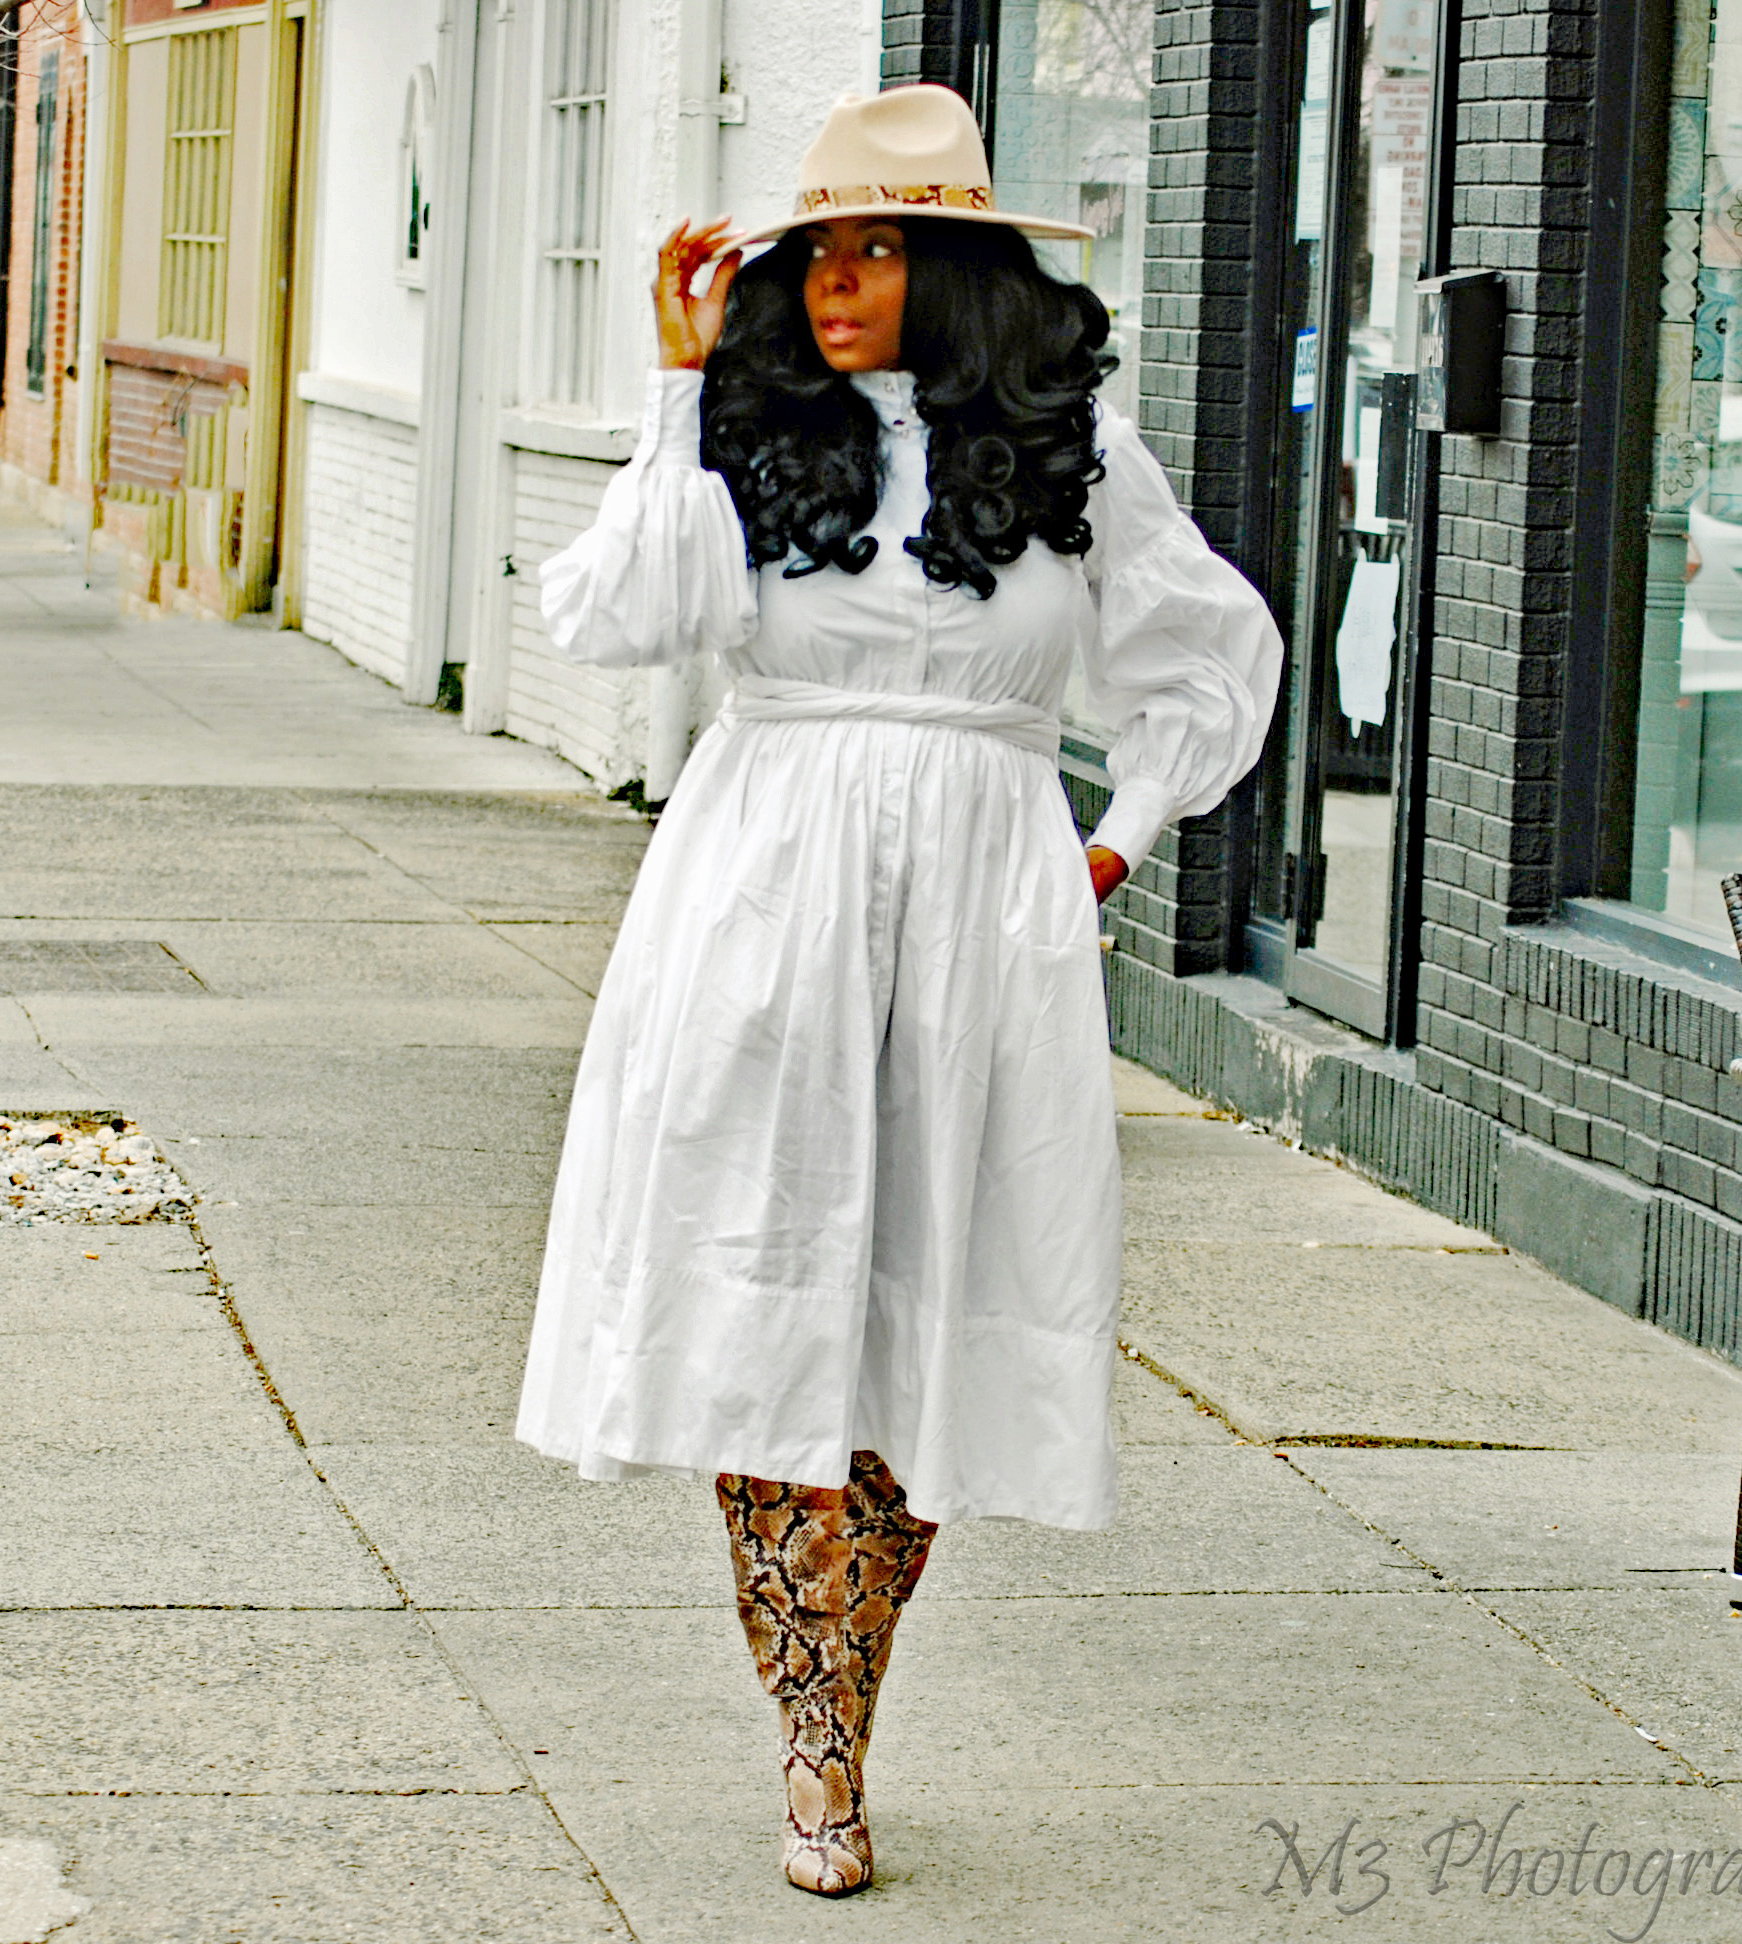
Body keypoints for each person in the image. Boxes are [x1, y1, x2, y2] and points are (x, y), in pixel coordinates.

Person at [518, 83, 1281, 1897]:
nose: (841, 281)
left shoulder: (1072, 450)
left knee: (926, 1308)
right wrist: (679, 389)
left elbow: (1211, 663)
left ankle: (840, 1711)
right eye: (820, 250)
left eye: (880, 248)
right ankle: (817, 1748)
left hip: (982, 915)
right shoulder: (752, 426)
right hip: (762, 896)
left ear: (956, 272)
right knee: (757, 1302)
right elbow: (611, 615)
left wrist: (1118, 845)